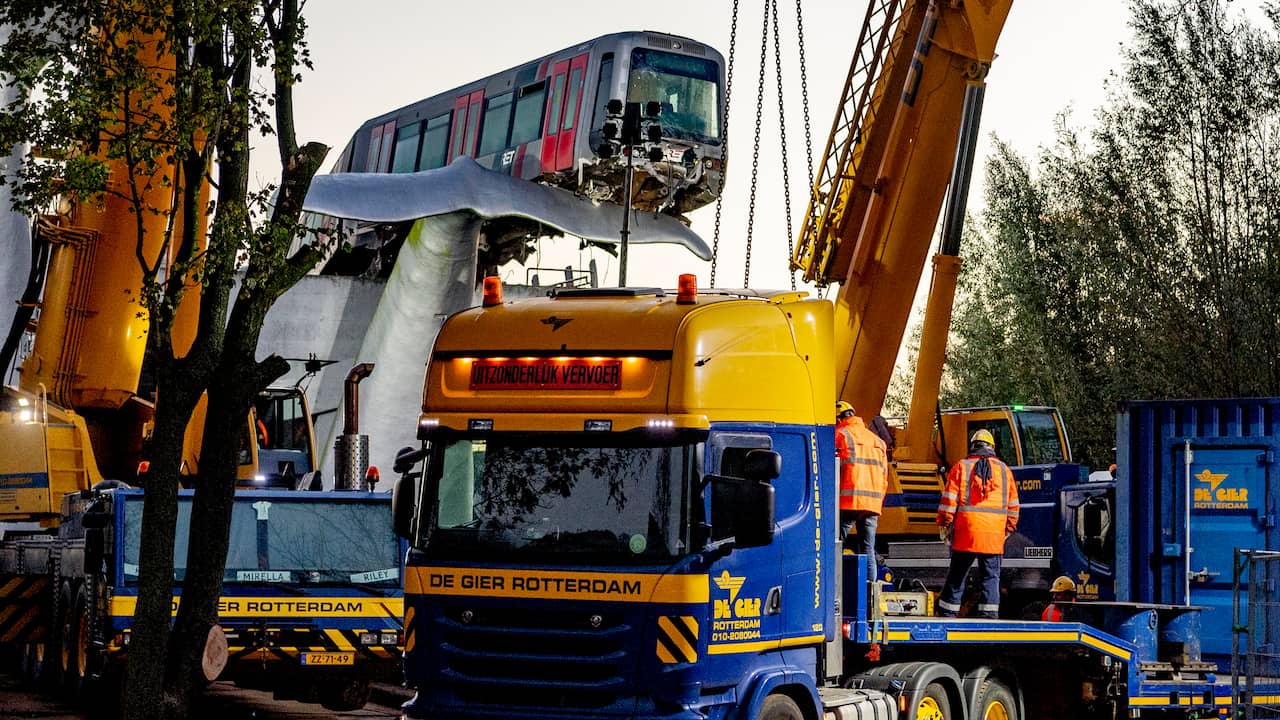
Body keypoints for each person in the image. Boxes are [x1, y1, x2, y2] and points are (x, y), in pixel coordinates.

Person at [936, 429, 1019, 619]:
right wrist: (1007, 530)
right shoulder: (1005, 471)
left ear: (973, 446)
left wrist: (945, 523)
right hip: (993, 536)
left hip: (967, 533)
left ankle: (948, 613)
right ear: (992, 447)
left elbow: (949, 499)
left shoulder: (961, 467)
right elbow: (1013, 506)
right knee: (991, 577)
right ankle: (988, 618)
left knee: (957, 576)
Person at [835, 400, 889, 578]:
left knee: (835, 545)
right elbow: (884, 477)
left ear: (838, 418)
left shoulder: (840, 435)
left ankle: (834, 589)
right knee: (868, 550)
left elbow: (833, 469)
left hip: (847, 501)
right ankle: (870, 595)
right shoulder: (878, 442)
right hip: (872, 504)